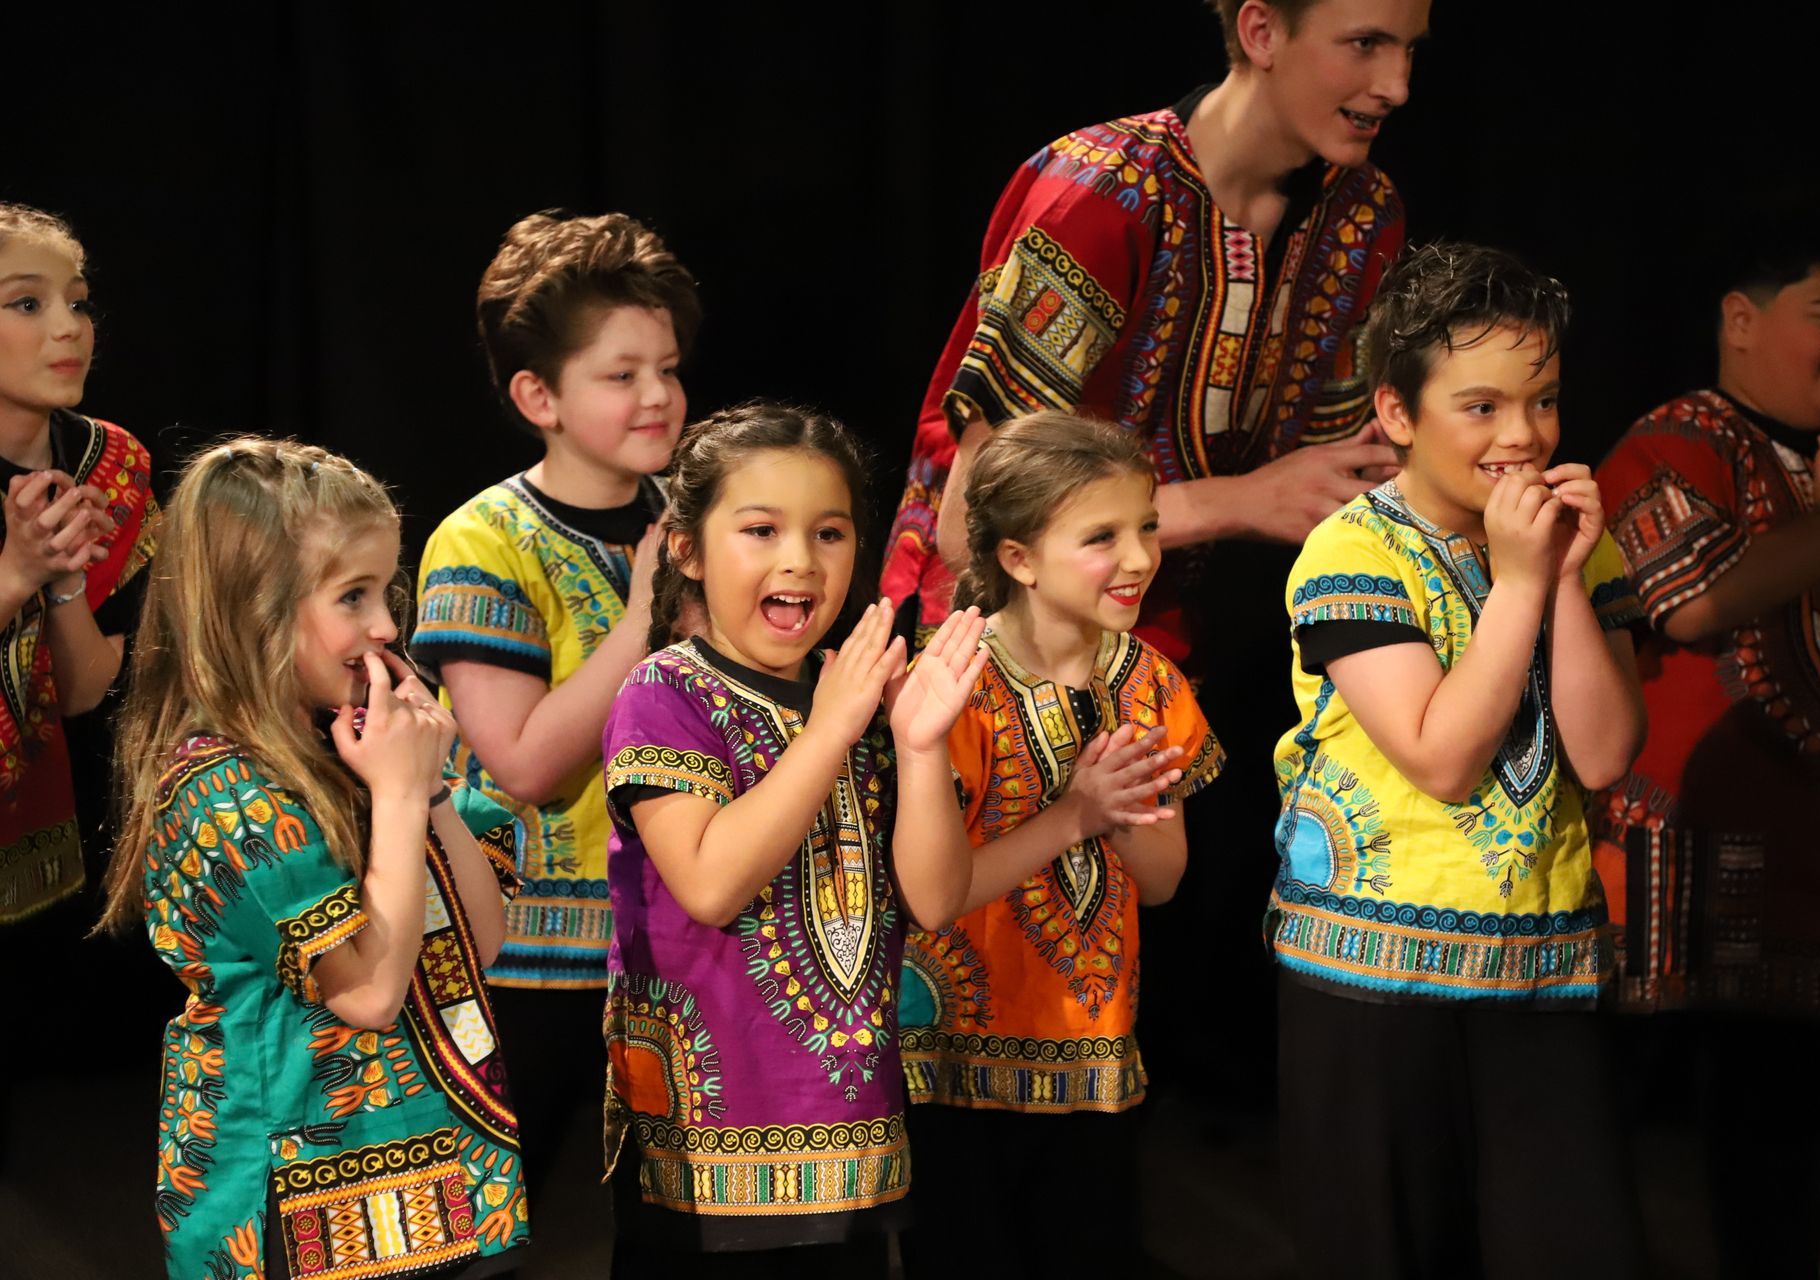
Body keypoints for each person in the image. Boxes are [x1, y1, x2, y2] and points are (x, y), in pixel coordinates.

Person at [879, 0, 1425, 1095]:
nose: (1396, 85)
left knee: (1109, 1003)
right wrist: (1238, 500)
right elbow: (969, 510)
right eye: (1364, 43)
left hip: (1153, 656)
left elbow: (1337, 460)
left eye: (1410, 50)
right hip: (989, 651)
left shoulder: (1361, 215)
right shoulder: (1101, 193)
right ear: (1261, 32)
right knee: (968, 1009)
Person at [1267, 244, 1648, 1276]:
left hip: (1543, 969)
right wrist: (1520, 583)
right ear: (1396, 412)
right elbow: (1439, 756)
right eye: (1480, 407)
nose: (1522, 436)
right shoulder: (1353, 551)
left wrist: (1561, 574)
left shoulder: (1572, 539)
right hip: (1373, 988)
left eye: (1543, 400)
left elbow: (1606, 752)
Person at [98, 438, 528, 1280]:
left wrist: (430, 794)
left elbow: (480, 944)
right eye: (353, 596)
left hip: (447, 1185)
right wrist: (401, 801)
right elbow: (368, 993)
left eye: (385, 589)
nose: (386, 628)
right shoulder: (226, 792)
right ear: (256, 607)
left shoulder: (370, 752)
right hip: (294, 1214)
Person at [1590, 215, 1820, 1276]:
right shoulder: (1673, 440)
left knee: (1768, 1122)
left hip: (1802, 855)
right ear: (1742, 319)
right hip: (1672, 847)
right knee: (1615, 1113)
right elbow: (1689, 605)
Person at [599, 402, 987, 1277]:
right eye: (761, 529)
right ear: (688, 550)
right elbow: (708, 883)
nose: (799, 561)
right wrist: (831, 733)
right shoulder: (666, 693)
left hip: (853, 1146)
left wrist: (918, 746)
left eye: (830, 533)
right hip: (707, 1163)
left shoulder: (857, 697)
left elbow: (932, 897)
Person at [410, 211, 698, 1203]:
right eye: (622, 375)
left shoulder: (695, 512)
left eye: (666, 366)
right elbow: (525, 764)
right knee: (487, 1218)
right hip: (525, 959)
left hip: (678, 942)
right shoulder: (483, 539)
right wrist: (647, 614)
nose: (658, 394)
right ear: (539, 393)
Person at [895, 411, 1224, 1276]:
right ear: (1018, 558)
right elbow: (934, 894)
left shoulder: (1150, 683)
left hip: (1092, 1050)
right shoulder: (948, 681)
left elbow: (1162, 883)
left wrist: (1127, 803)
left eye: (1147, 526)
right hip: (948, 1061)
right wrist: (1076, 813)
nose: (1140, 557)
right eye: (1102, 536)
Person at [0, 202, 158, 923]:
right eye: (28, 303)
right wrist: (15, 575)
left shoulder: (113, 464)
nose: (69, 327)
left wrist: (63, 584)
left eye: (78, 303)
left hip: (83, 860)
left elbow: (85, 692)